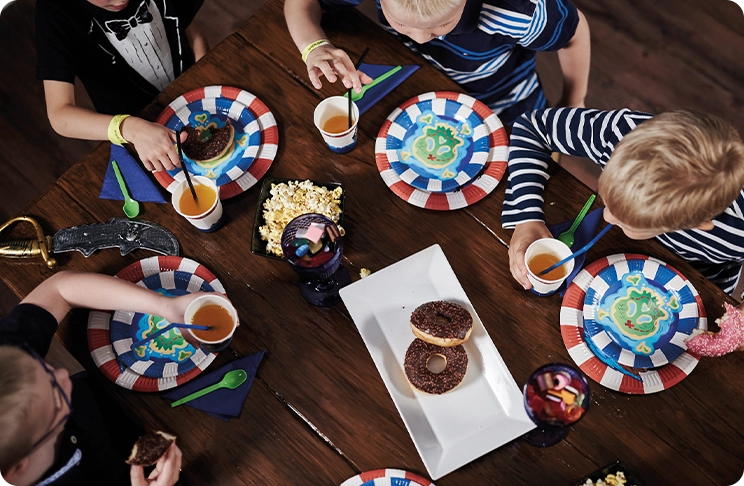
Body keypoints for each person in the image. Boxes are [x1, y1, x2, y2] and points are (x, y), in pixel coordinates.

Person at [502, 108, 744, 301]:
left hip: (703, 281)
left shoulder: (737, 233)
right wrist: (527, 215)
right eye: (608, 201)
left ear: (696, 223)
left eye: (627, 220)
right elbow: (532, 128)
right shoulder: (622, 134)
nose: (606, 217)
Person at [0, 271, 203, 486]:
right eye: (56, 397)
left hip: (105, 400)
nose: (63, 376)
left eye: (44, 367)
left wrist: (165, 307)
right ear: (18, 467)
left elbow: (59, 290)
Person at [284, 0, 591, 125]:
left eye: (440, 26)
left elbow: (574, 33)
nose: (420, 38)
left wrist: (573, 99)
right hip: (419, 85)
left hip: (506, 102)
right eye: (400, 23)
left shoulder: (523, 12)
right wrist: (315, 46)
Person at [36, 0, 208, 171]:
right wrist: (131, 129)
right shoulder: (54, 13)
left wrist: (203, 80)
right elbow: (60, 115)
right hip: (138, 131)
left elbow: (187, 27)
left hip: (195, 90)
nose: (121, 0)